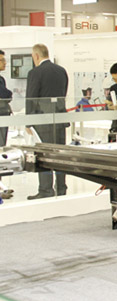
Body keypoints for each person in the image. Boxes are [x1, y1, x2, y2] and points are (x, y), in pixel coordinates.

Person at [26, 44, 69, 200]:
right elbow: (63, 94)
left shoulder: (35, 73)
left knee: (44, 155)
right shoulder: (61, 71)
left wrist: (29, 121)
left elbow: (31, 98)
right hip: (59, 119)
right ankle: (61, 188)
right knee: (60, 156)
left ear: (36, 56)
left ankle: (46, 190)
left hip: (43, 120)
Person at [0, 50, 14, 200]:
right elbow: (5, 94)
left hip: (3, 118)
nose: (5, 63)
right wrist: (7, 94)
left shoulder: (1, 79)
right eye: (1, 60)